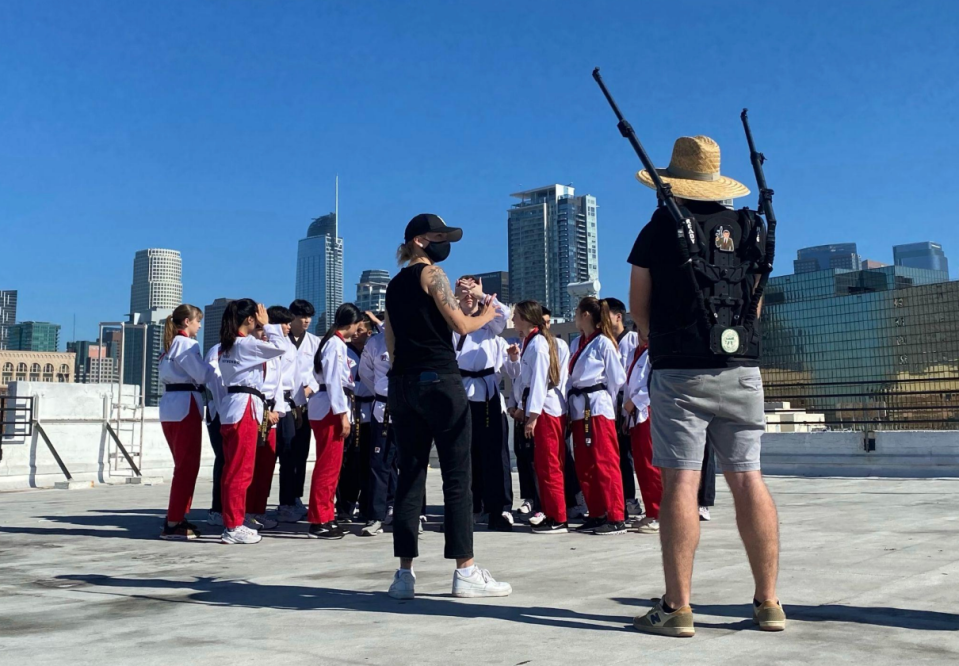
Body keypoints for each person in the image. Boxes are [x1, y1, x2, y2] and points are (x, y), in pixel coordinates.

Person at [628, 135, 784, 636]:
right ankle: (769, 602)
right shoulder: (748, 226)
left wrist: (658, 338)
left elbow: (639, 308)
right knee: (748, 478)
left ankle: (678, 607)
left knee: (682, 482)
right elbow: (755, 301)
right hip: (741, 367)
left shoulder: (659, 228)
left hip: (679, 370)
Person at [384, 213, 511, 600]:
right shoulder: (431, 274)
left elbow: (390, 341)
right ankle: (465, 570)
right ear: (421, 241)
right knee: (457, 475)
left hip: (402, 384)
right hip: (440, 379)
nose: (445, 244)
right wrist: (487, 311)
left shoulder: (392, 285)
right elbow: (460, 325)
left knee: (410, 475)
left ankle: (404, 575)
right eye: (439, 236)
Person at [217, 299, 287, 545]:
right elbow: (281, 348)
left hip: (231, 404)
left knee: (232, 468)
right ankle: (234, 525)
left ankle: (232, 521)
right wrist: (269, 327)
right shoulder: (246, 344)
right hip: (245, 405)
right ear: (250, 320)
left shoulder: (226, 345)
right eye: (257, 318)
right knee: (241, 470)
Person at [453, 275, 513, 532]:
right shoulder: (450, 322)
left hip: (487, 395)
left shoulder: (490, 322)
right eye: (463, 290)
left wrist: (480, 295)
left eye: (472, 289)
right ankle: (468, 508)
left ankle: (499, 509)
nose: (468, 294)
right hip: (461, 394)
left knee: (494, 456)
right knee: (464, 457)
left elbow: (505, 314)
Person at [566, 297, 627, 535]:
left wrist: (606, 403)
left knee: (605, 462)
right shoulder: (578, 343)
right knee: (585, 464)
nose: (574, 317)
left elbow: (617, 378)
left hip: (598, 408)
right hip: (580, 408)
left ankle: (616, 516)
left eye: (576, 313)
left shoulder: (603, 342)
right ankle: (597, 512)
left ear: (586, 316)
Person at [509, 300, 568, 535]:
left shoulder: (538, 345)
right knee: (543, 465)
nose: (513, 320)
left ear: (526, 318)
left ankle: (559, 517)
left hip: (546, 411)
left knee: (549, 463)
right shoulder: (529, 343)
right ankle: (551, 512)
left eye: (516, 316)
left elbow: (539, 381)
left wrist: (532, 416)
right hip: (539, 409)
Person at [306, 303, 363, 539]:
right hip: (330, 408)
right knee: (328, 466)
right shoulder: (335, 345)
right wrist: (342, 415)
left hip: (329, 406)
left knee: (332, 466)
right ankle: (319, 520)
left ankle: (326, 516)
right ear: (352, 323)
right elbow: (333, 382)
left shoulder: (334, 343)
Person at [157, 304, 209, 540]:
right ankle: (174, 520)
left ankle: (178, 516)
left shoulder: (168, 347)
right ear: (187, 322)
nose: (200, 325)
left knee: (183, 465)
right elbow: (202, 375)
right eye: (198, 321)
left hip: (169, 405)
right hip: (185, 404)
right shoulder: (187, 344)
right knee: (187, 467)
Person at [276, 299, 320, 523]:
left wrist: (311, 387)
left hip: (306, 403)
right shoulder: (279, 341)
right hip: (283, 403)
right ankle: (284, 500)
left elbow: (319, 372)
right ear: (290, 317)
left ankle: (295, 497)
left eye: (309, 317)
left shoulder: (314, 342)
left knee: (300, 453)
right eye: (302, 317)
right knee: (286, 453)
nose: (306, 321)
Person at [243, 322, 286, 532]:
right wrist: (265, 410)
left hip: (272, 413)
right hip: (256, 410)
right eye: (260, 330)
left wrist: (277, 409)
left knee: (266, 467)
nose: (264, 335)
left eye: (266, 331)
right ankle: (245, 513)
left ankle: (258, 511)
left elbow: (278, 384)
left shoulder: (273, 354)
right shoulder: (249, 350)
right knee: (251, 466)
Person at [337, 311, 376, 524]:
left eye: (360, 330)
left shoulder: (374, 350)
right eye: (355, 329)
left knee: (370, 463)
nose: (356, 334)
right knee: (350, 462)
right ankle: (345, 507)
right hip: (353, 410)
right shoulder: (344, 351)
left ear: (368, 333)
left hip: (372, 411)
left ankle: (367, 507)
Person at [359, 311, 396, 537]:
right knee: (379, 462)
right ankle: (376, 516)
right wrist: (381, 393)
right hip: (382, 408)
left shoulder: (414, 339)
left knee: (410, 464)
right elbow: (366, 374)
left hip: (408, 410)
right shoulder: (375, 342)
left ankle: (411, 514)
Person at [606, 297, 643, 521]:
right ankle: (622, 497)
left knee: (631, 454)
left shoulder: (631, 339)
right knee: (618, 454)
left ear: (619, 316)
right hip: (612, 402)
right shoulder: (605, 341)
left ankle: (631, 499)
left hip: (629, 401)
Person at [622, 345, 662, 534]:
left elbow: (655, 383)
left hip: (647, 411)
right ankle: (651, 510)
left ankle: (660, 513)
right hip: (634, 414)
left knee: (650, 463)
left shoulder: (654, 351)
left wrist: (635, 402)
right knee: (641, 465)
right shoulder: (635, 352)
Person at [204, 340, 226, 527]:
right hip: (220, 412)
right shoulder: (217, 351)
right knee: (224, 459)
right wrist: (223, 412)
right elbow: (215, 383)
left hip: (236, 410)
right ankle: (217, 509)